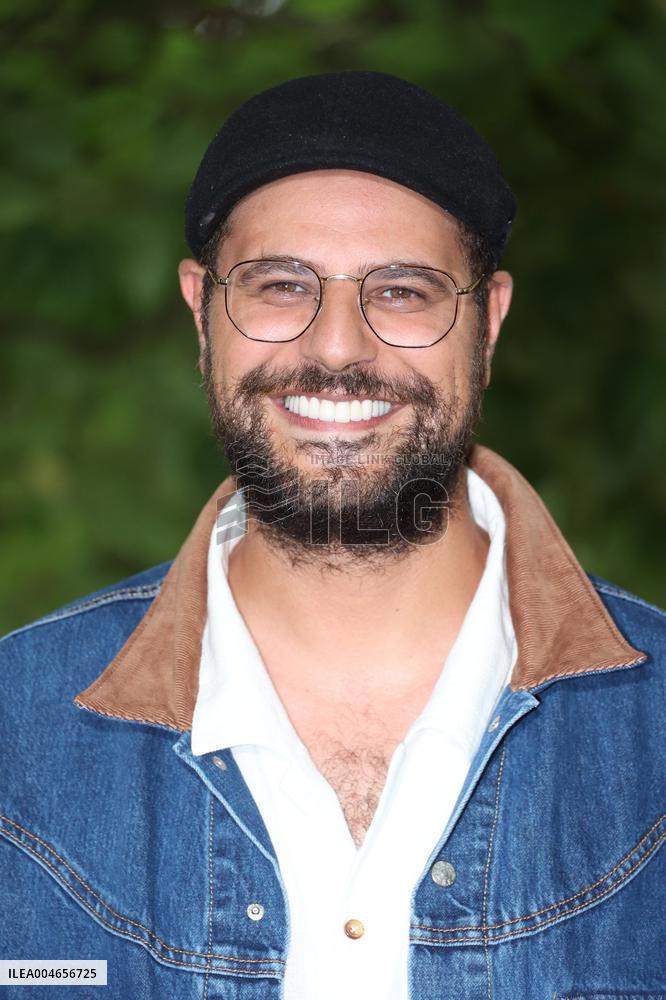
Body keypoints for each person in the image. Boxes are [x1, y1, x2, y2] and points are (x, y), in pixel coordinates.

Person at [1, 71, 664, 1000]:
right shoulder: (15, 735)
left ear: (488, 322)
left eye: (402, 290)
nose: (340, 347)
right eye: (281, 285)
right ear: (201, 312)